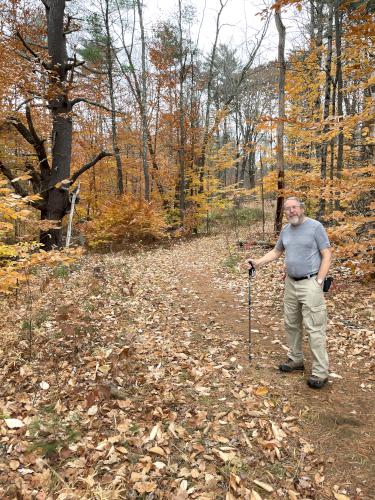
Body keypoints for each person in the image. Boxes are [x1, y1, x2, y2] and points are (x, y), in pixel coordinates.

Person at [248, 197, 332, 389]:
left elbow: (327, 254)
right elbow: (277, 252)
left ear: (302, 208)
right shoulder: (286, 230)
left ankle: (320, 371)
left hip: (310, 283)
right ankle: (296, 359)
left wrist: (319, 281)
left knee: (314, 327)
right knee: (291, 323)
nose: (291, 211)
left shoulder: (315, 227)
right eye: (287, 209)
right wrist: (258, 262)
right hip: (291, 283)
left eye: (294, 207)